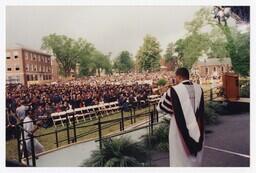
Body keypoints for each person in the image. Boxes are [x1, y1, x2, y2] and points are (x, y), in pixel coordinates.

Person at [157, 67, 205, 167]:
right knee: (195, 161)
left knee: (180, 158)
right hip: (196, 127)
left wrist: (164, 93)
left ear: (178, 77)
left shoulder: (174, 90)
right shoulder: (199, 89)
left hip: (178, 129)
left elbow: (160, 107)